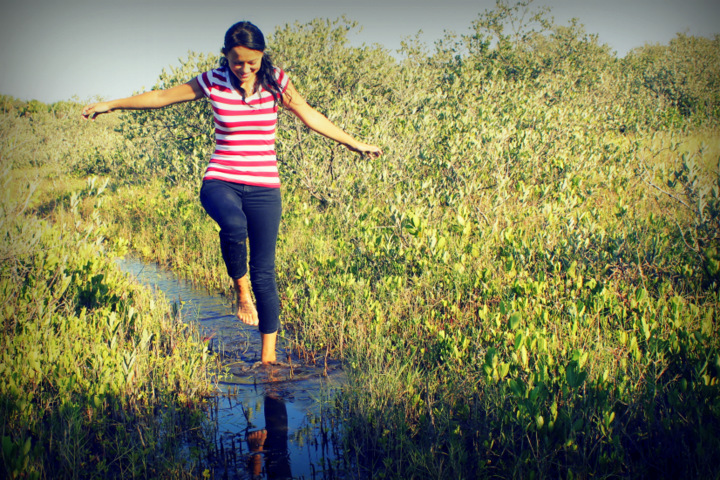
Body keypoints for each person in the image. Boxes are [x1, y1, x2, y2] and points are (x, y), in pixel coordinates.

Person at [82, 21, 382, 364]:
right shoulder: (213, 80)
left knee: (265, 273)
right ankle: (241, 292)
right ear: (226, 56)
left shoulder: (276, 81)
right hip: (220, 180)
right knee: (234, 226)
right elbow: (162, 97)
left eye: (252, 62)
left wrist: (353, 143)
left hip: (265, 186)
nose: (244, 69)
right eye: (237, 61)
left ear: (262, 56)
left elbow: (309, 115)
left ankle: (267, 359)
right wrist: (112, 104)